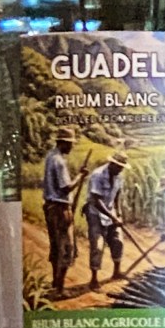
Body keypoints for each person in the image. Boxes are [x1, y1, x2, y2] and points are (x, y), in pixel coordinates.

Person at [43, 126, 88, 297]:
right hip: (60, 209)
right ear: (63, 143)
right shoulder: (59, 161)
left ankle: (55, 283)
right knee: (67, 248)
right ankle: (60, 289)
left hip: (50, 207)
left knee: (55, 245)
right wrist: (81, 176)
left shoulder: (50, 156)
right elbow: (65, 188)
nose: (71, 147)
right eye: (70, 144)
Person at [83, 151, 129, 290]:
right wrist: (113, 217)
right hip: (95, 213)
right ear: (112, 164)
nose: (120, 169)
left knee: (118, 240)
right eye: (119, 166)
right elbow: (96, 201)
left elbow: (117, 195)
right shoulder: (98, 175)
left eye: (122, 167)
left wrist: (118, 213)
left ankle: (116, 272)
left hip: (110, 211)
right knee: (98, 245)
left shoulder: (119, 176)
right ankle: (94, 279)